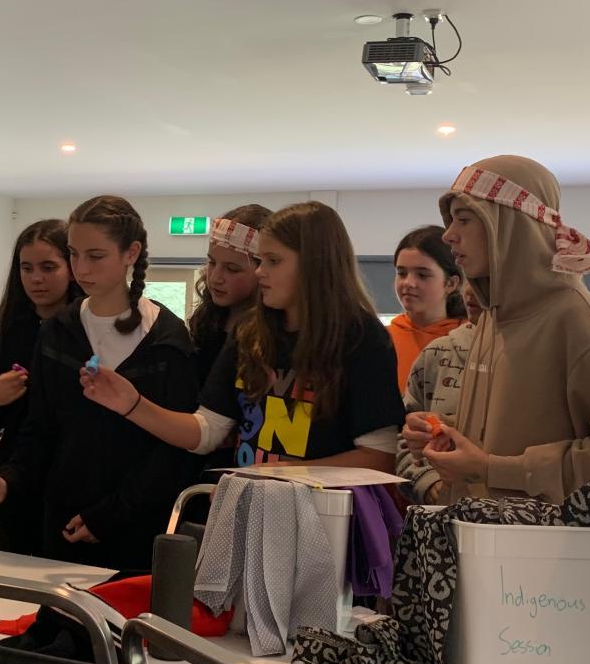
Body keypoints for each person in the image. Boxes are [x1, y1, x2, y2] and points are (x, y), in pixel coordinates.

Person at [402, 155, 590, 517]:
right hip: (478, 540)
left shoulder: (573, 317)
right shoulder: (494, 318)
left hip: (543, 550)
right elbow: (521, 432)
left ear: (510, 224)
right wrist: (445, 433)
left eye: (464, 219)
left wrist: (491, 469)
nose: (448, 235)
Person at [79, 200, 405, 472]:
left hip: (326, 517)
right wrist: (132, 403)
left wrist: (280, 475)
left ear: (314, 265)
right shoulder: (250, 332)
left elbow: (380, 455)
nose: (261, 271)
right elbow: (208, 431)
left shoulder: (362, 337)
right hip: (252, 508)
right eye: (260, 261)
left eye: (272, 261)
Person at [0, 195, 200, 569]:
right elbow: (40, 431)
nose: (82, 268)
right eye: (74, 254)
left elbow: (171, 452)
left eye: (95, 256)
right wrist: (5, 481)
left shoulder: (167, 338)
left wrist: (111, 514)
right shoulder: (58, 331)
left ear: (131, 253)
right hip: (62, 521)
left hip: (135, 525)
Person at [0, 219, 81, 553]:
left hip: (72, 488)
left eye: (48, 267)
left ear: (72, 268)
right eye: (27, 268)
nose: (36, 278)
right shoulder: (5, 335)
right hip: (12, 489)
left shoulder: (88, 332)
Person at [397, 282, 482, 505]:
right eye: (469, 280)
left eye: (486, 280)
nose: (470, 291)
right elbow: (403, 436)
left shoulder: (546, 353)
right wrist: (427, 481)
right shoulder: (437, 354)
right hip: (444, 511)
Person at [187, 204, 272, 386]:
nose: (215, 278)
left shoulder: (273, 334)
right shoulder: (205, 322)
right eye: (212, 263)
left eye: (232, 269)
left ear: (263, 272)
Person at [387, 224, 467, 389]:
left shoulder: (469, 340)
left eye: (422, 275)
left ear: (451, 283)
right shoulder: (383, 339)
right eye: (402, 273)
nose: (408, 283)